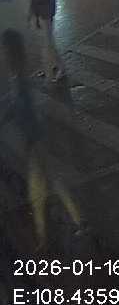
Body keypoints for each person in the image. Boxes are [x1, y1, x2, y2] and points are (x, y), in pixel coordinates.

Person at [0, 29, 83, 250]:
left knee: (44, 188)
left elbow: (24, 111)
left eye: (4, 50)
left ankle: (62, 229)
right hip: (35, 144)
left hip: (36, 145)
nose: (2, 55)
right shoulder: (18, 79)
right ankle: (52, 233)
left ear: (10, 53)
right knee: (43, 189)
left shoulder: (20, 82)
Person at [29, 0, 63, 82]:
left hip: (45, 15)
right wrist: (32, 14)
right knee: (45, 43)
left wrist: (44, 15)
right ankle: (49, 66)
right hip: (40, 15)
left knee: (48, 43)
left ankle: (58, 68)